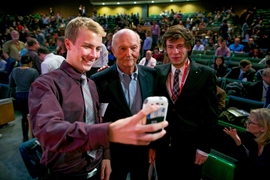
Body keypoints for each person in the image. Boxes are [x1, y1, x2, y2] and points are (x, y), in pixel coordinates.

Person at [28, 17, 168, 180]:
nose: (93, 55)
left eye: (97, 48)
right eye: (87, 47)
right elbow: (49, 132)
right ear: (68, 44)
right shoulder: (45, 84)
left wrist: (106, 156)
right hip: (66, 174)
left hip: (99, 170)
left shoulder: (91, 84)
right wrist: (108, 133)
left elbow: (98, 120)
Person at [90, 28, 157, 180]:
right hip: (114, 151)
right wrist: (105, 154)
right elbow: (97, 122)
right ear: (113, 50)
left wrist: (153, 144)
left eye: (133, 48)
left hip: (143, 149)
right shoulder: (98, 80)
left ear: (139, 48)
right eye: (122, 48)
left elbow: (155, 114)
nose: (128, 54)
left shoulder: (152, 75)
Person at [153, 25, 218, 180]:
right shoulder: (157, 72)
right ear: (165, 49)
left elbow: (211, 115)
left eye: (180, 46)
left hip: (191, 148)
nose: (175, 52)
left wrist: (204, 148)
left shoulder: (206, 74)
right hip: (163, 147)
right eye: (170, 47)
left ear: (189, 47)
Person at [223, 108, 270, 180]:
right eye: (247, 120)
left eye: (250, 122)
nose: (246, 123)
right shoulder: (251, 137)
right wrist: (238, 142)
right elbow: (247, 162)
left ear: (263, 128)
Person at [9, 55, 39, 142]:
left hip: (19, 95)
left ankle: (25, 137)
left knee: (24, 116)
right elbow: (37, 86)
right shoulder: (33, 71)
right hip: (31, 95)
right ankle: (34, 137)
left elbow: (11, 84)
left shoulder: (14, 71)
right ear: (30, 63)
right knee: (33, 116)